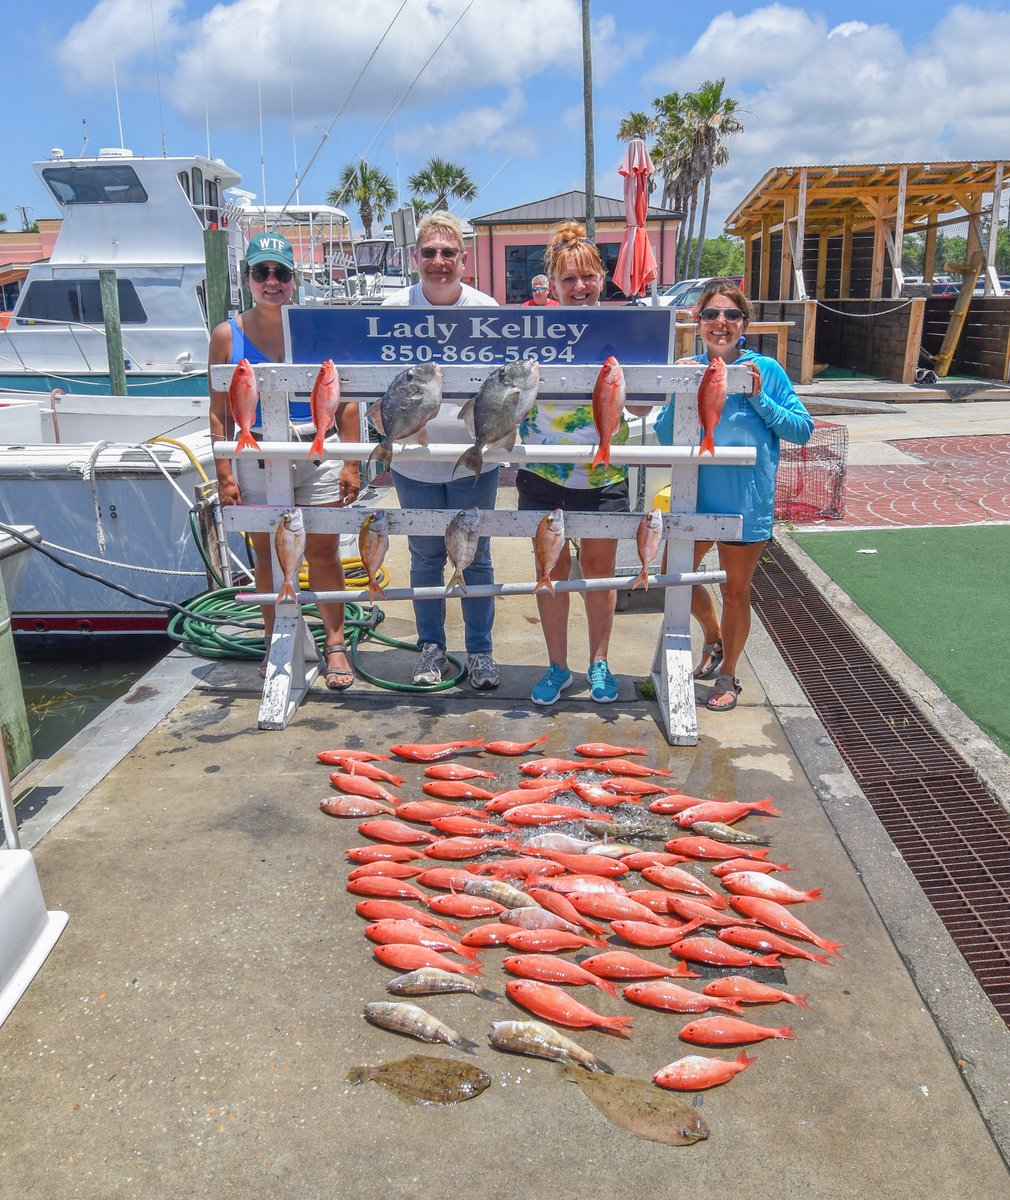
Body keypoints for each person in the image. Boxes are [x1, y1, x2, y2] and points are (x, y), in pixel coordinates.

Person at [209, 232, 361, 690]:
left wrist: (352, 462)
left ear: (294, 279)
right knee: (265, 553)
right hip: (255, 453)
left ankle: (333, 643)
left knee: (323, 551)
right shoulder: (225, 334)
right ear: (249, 278)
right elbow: (218, 409)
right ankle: (278, 637)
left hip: (317, 446)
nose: (271, 281)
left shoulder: (320, 329)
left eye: (281, 272)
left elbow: (348, 402)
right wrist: (223, 471)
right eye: (262, 272)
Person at [654, 279, 813, 711]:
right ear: (697, 320)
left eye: (730, 315)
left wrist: (759, 396)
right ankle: (713, 636)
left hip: (747, 502)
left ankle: (729, 676)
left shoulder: (767, 370)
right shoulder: (687, 367)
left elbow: (801, 430)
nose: (720, 323)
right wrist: (678, 395)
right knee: (673, 577)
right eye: (710, 314)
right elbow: (666, 435)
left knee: (736, 592)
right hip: (694, 498)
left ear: (744, 324)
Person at [517, 221, 649, 706]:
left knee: (598, 571)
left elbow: (638, 409)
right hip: (541, 472)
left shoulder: (624, 330)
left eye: (587, 277)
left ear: (602, 279)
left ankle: (599, 662)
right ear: (551, 286)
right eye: (568, 279)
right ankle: (557, 666)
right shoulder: (527, 331)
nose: (579, 287)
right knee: (551, 571)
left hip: (603, 473)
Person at [381, 211, 500, 691]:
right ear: (415, 258)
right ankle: (430, 647)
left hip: (477, 462)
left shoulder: (486, 306)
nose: (438, 261)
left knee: (478, 557)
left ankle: (480, 651)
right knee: (425, 556)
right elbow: (368, 389)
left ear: (463, 260)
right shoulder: (390, 308)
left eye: (448, 253)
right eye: (429, 252)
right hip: (412, 463)